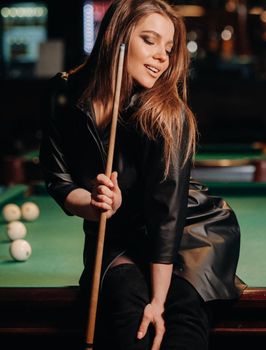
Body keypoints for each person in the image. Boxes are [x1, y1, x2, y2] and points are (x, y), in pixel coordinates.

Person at [39, 0, 244, 349]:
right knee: (126, 308)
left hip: (187, 232)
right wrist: (93, 203)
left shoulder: (167, 114)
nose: (163, 57)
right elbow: (60, 183)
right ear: (117, 37)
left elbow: (167, 215)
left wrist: (159, 301)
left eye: (168, 47)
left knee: (180, 320)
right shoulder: (67, 95)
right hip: (118, 234)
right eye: (149, 40)